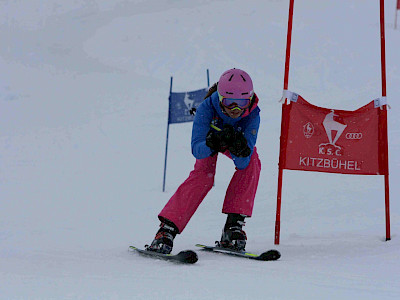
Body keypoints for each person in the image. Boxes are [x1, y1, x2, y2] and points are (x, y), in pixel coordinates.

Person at [147, 68, 261, 254]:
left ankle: (233, 228)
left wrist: (239, 149)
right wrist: (213, 141)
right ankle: (166, 230)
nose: (235, 109)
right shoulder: (207, 108)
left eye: (241, 102)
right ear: (220, 98)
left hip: (232, 142)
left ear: (249, 99)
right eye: (229, 102)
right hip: (210, 142)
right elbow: (197, 151)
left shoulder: (252, 114)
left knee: (252, 162)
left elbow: (243, 163)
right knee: (204, 176)